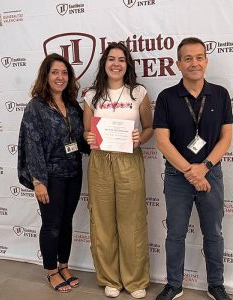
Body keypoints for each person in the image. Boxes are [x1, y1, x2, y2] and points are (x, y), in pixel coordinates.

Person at [153, 37, 233, 300]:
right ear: (178, 64)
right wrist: (191, 171)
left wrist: (205, 167)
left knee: (214, 233)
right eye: (187, 58)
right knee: (175, 234)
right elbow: (162, 142)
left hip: (212, 175)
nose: (194, 63)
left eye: (199, 57)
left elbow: (226, 138)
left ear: (206, 61)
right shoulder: (166, 98)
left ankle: (216, 285)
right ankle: (174, 285)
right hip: (178, 177)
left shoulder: (220, 94)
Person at [83, 42, 153, 299]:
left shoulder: (138, 93)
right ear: (104, 63)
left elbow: (148, 128)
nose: (116, 63)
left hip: (129, 160)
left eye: (121, 59)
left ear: (127, 64)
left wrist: (140, 138)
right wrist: (89, 138)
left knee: (132, 220)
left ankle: (135, 280)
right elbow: (86, 131)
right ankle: (109, 278)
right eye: (111, 59)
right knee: (102, 221)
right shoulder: (92, 95)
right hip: (100, 161)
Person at [18, 53, 89, 293]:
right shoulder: (35, 107)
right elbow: (32, 144)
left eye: (64, 73)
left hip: (73, 172)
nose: (60, 77)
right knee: (51, 225)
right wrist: (38, 181)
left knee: (66, 222)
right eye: (55, 72)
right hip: (50, 176)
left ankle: (64, 265)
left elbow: (81, 138)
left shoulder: (71, 104)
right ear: (46, 76)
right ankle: (51, 271)